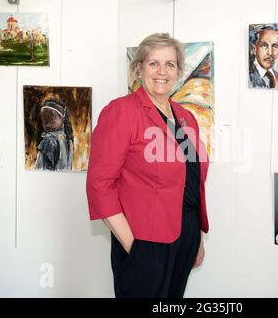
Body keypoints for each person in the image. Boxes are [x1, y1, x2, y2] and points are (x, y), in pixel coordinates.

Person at [86, 33, 209, 298]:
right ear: (139, 68)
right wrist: (133, 245)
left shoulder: (186, 117)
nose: (162, 72)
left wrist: (196, 236)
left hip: (185, 235)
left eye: (170, 64)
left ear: (178, 71)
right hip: (145, 240)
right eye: (154, 63)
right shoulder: (121, 112)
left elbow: (191, 179)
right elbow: (100, 185)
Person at [35, 98, 74, 170]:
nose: (48, 125)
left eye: (52, 121)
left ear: (62, 119)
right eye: (45, 121)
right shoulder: (68, 139)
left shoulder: (50, 140)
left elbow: (44, 170)